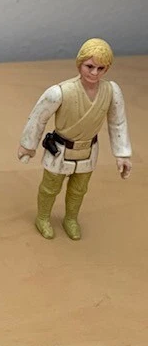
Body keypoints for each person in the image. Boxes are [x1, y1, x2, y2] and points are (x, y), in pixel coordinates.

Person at [17, 38, 132, 240]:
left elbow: (118, 122)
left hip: (88, 150)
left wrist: (122, 154)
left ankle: (70, 218)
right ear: (79, 64)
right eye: (89, 66)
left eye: (100, 68)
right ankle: (43, 217)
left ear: (107, 68)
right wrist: (28, 146)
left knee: (79, 189)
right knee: (50, 187)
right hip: (60, 149)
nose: (94, 73)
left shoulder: (111, 91)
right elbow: (38, 118)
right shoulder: (60, 92)